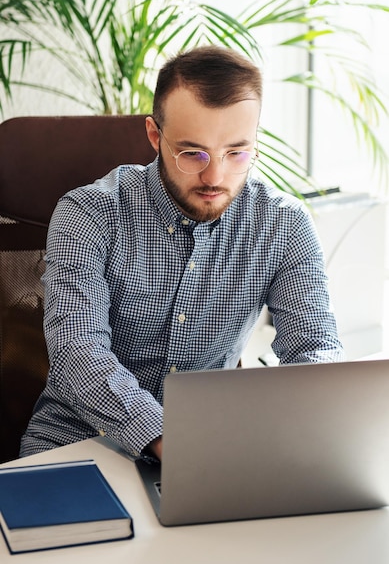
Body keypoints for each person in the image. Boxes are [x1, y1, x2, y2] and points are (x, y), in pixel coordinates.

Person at [20, 45, 344, 461]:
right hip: (77, 441)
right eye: (193, 153)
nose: (215, 176)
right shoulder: (89, 213)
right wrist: (172, 444)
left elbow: (314, 347)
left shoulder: (283, 224)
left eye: (236, 153)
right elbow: (77, 352)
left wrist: (304, 428)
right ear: (155, 135)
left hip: (213, 447)